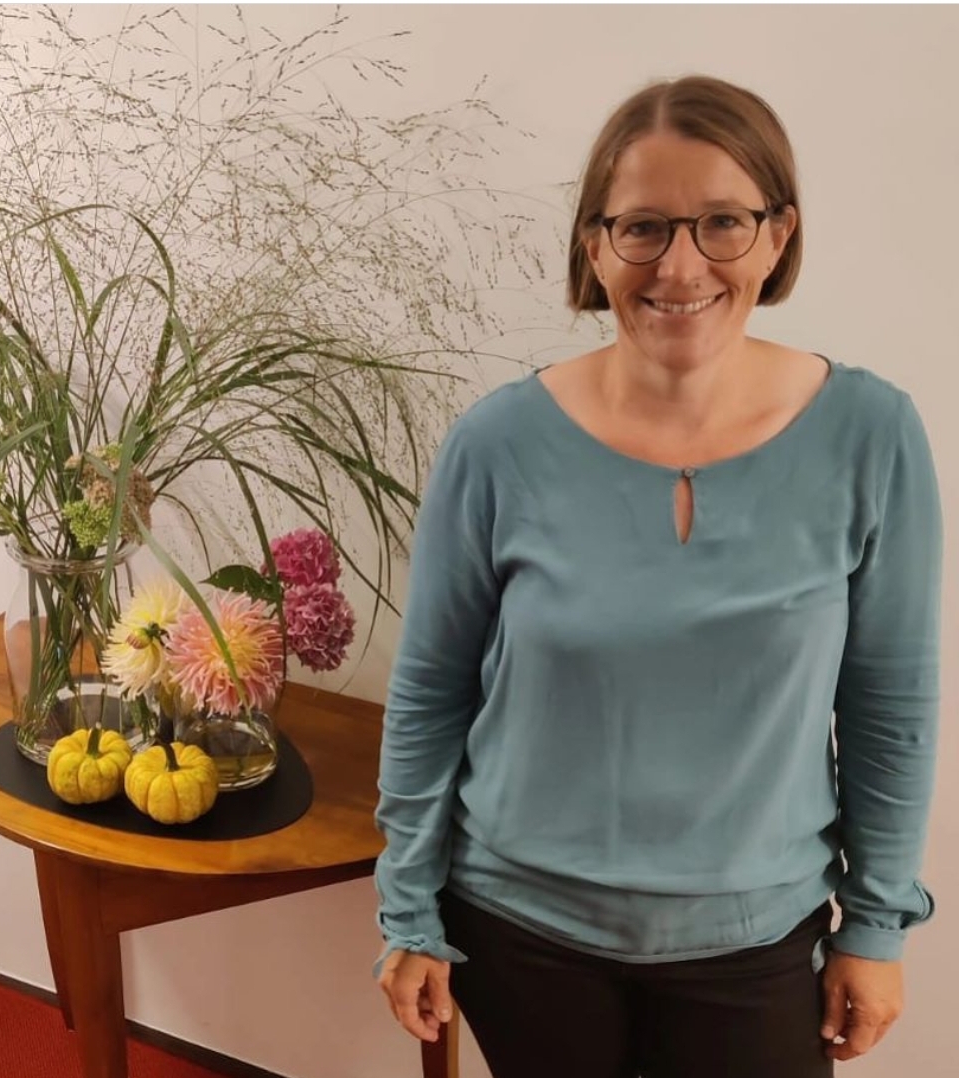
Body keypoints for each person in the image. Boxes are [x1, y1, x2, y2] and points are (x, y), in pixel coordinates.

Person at [372, 75, 942, 1078]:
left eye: (723, 221)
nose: (681, 266)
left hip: (758, 939)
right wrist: (408, 908)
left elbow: (890, 707)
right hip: (520, 929)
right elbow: (431, 690)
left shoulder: (872, 435)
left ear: (778, 235)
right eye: (642, 227)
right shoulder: (498, 444)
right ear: (595, 246)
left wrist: (877, 925)